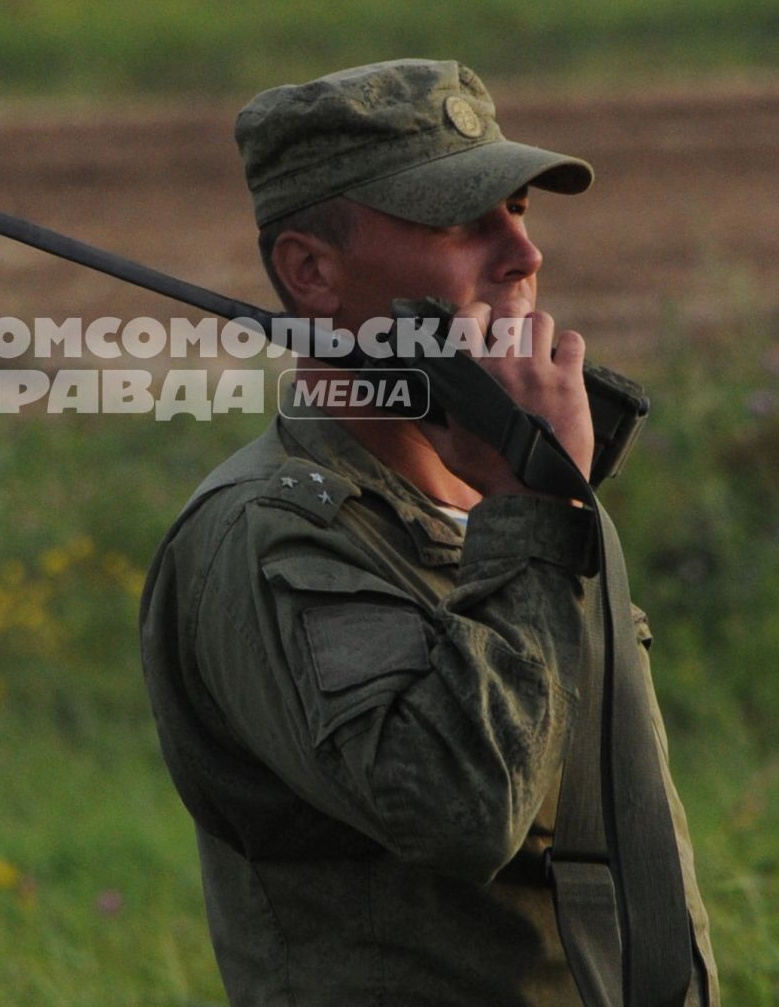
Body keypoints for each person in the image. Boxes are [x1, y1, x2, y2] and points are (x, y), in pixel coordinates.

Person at [138, 59, 719, 1005]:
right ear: (311, 273)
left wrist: (525, 500)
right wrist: (531, 516)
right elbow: (460, 807)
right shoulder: (273, 536)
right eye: (459, 223)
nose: (522, 256)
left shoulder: (485, 493)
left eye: (520, 210)